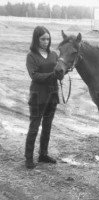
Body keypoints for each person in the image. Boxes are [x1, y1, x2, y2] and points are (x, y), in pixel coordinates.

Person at [25, 26, 61, 169]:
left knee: (47, 126)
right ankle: (28, 158)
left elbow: (59, 73)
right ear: (36, 39)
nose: (46, 41)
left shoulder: (53, 55)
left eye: (48, 38)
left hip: (52, 95)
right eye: (43, 39)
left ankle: (43, 154)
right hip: (38, 96)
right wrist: (53, 75)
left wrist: (62, 73)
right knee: (34, 127)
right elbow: (34, 76)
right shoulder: (31, 56)